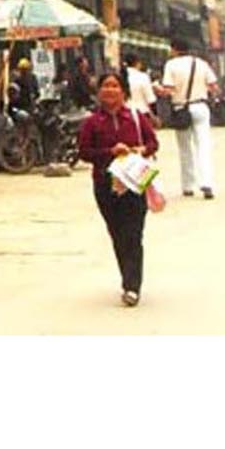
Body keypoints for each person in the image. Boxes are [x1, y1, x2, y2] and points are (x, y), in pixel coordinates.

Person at [78, 68, 159, 307]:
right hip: (106, 184)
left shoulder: (135, 117)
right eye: (106, 86)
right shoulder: (92, 122)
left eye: (115, 86)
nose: (110, 90)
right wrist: (109, 153)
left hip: (134, 183)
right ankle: (127, 275)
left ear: (123, 91)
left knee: (133, 234)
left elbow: (153, 142)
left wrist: (140, 150)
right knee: (117, 234)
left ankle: (132, 285)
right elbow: (84, 152)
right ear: (99, 92)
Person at [155, 38, 219, 199]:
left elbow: (168, 90)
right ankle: (207, 183)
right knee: (203, 146)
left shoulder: (171, 65)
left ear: (174, 50)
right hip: (201, 107)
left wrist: (158, 89)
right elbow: (213, 86)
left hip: (181, 109)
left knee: (185, 149)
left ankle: (188, 186)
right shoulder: (201, 63)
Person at [125, 56, 157, 120]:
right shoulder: (143, 77)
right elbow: (150, 99)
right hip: (142, 113)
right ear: (138, 63)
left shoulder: (120, 76)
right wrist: (155, 115)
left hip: (125, 114)